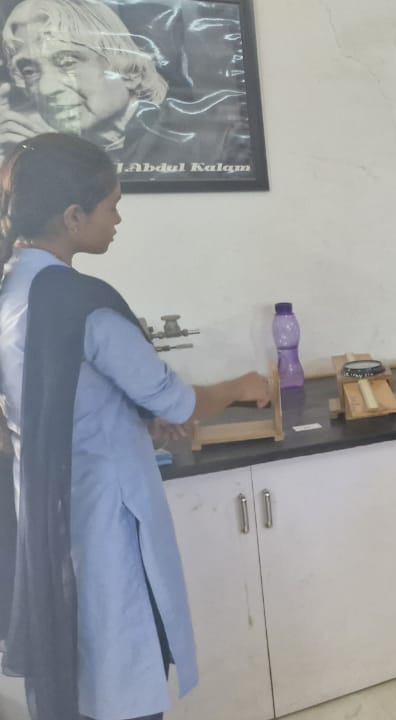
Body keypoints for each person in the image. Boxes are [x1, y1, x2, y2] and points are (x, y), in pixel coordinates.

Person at [0, 133, 273, 720]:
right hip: (105, 518)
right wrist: (240, 387)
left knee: (83, 668)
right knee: (123, 666)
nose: (119, 219)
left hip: (47, 513)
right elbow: (175, 400)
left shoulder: (12, 288)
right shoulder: (81, 302)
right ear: (73, 217)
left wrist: (129, 418)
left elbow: (58, 398)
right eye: (112, 206)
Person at [0, 0, 252, 173]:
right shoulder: (46, 152)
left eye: (67, 62)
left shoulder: (214, 141)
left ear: (129, 70)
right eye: (29, 71)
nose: (45, 89)